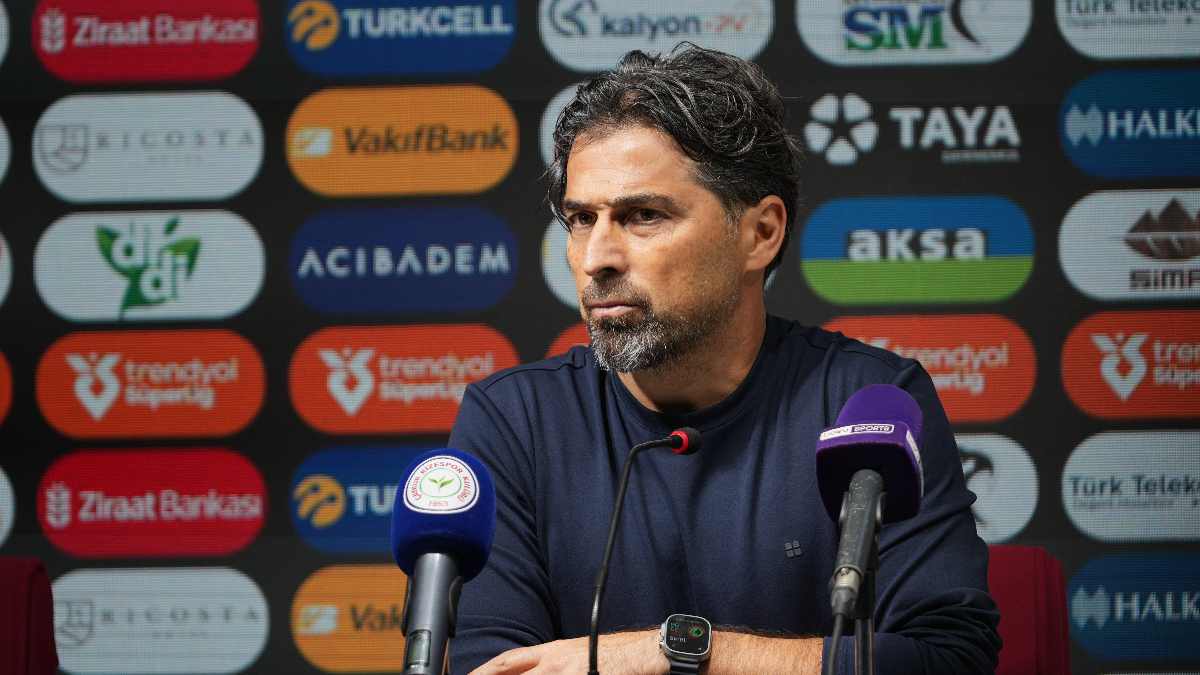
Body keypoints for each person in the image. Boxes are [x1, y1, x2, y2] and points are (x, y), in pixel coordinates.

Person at [447, 44, 1001, 675]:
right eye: (580, 219)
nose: (597, 257)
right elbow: (493, 667)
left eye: (643, 216)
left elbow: (948, 660)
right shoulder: (513, 421)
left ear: (760, 233)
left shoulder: (868, 403)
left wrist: (672, 652)